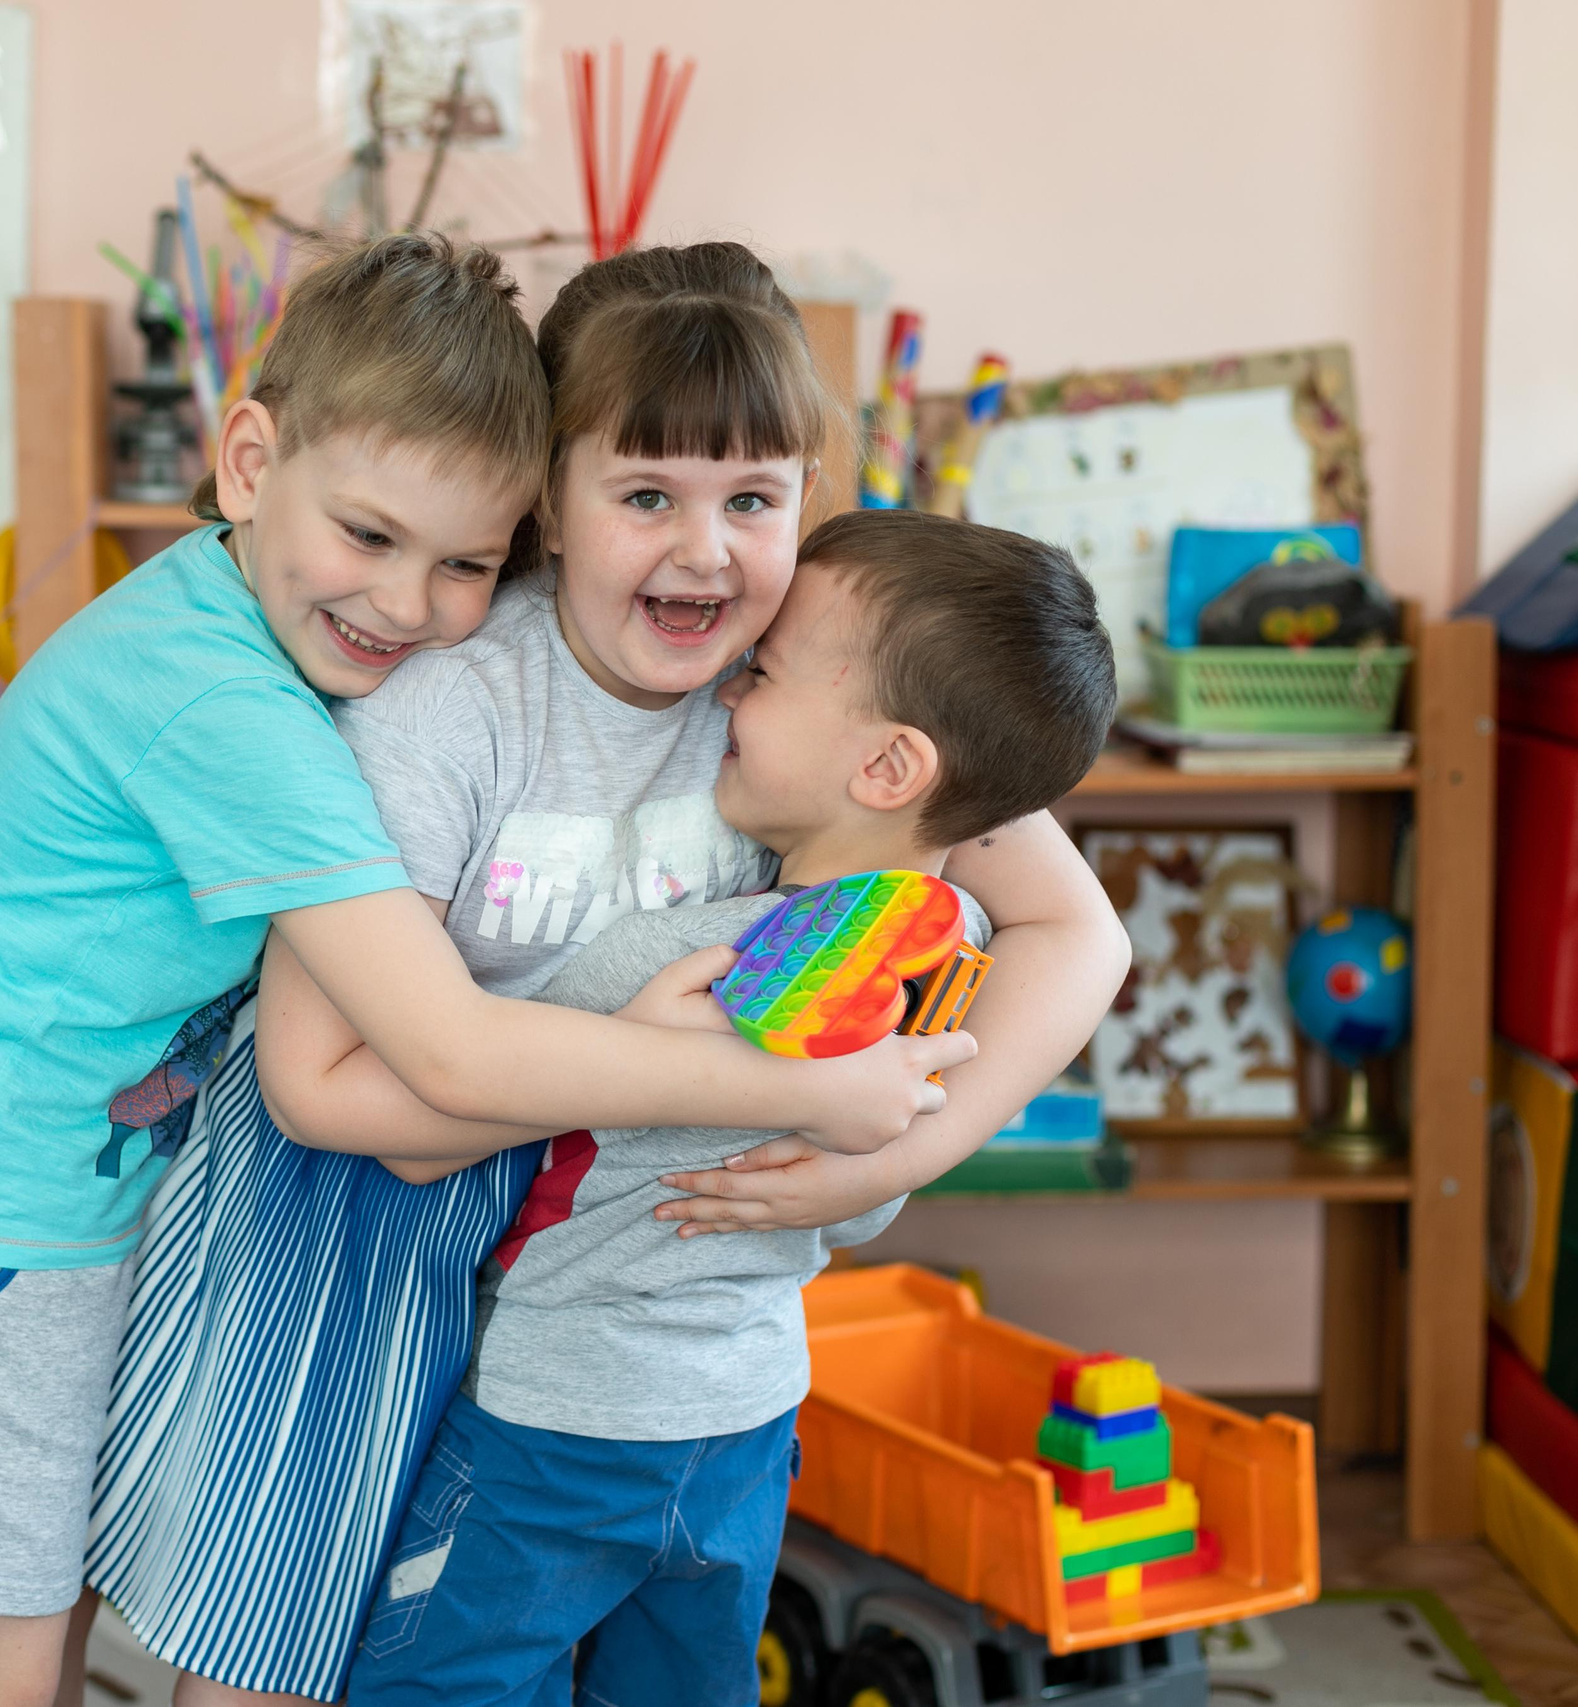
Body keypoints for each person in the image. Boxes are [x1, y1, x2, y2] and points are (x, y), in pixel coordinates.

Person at [0, 235, 972, 1707]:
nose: (407, 605)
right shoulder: (244, 710)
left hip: (102, 1197)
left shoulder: (289, 633)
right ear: (244, 459)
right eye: (367, 535)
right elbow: (436, 1059)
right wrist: (795, 1085)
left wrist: (927, 1122)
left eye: (463, 563)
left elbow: (1063, 908)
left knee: (109, 1622)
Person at [85, 244, 1120, 1706]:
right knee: (286, 1653)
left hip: (617, 1282)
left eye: (754, 501)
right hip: (365, 1222)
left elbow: (1082, 933)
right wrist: (709, 1081)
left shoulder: (813, 685)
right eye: (646, 497)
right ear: (546, 509)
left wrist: (903, 1142)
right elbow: (317, 1087)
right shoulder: (453, 705)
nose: (706, 554)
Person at [341, 507, 1122, 1707]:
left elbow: (427, 1130)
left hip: (553, 1422)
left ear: (886, 765)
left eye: (759, 672)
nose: (722, 696)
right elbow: (859, 1216)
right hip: (747, 1430)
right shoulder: (960, 962)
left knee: (444, 1686)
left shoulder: (667, 963)